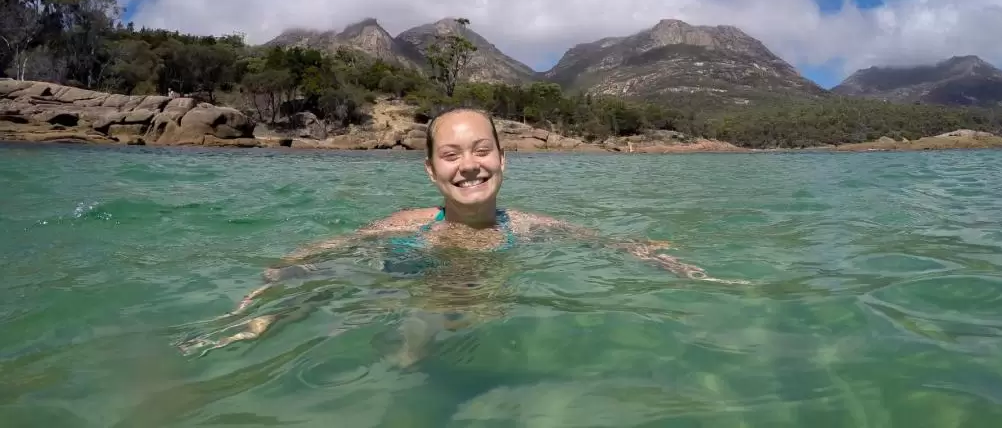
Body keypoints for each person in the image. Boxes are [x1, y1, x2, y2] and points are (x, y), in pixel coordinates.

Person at [178, 107, 745, 356]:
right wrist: (269, 292)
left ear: (504, 159)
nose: (468, 165)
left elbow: (606, 243)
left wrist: (659, 258)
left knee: (450, 319)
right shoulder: (406, 223)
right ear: (431, 170)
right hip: (399, 275)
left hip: (462, 298)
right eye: (450, 155)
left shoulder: (530, 225)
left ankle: (413, 353)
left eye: (481, 150)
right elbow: (322, 256)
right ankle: (254, 331)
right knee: (347, 301)